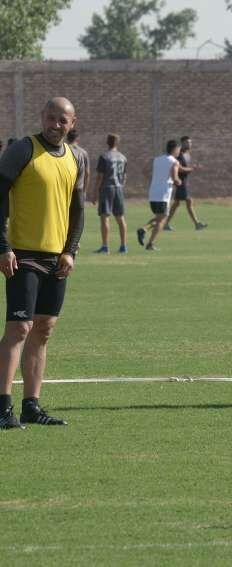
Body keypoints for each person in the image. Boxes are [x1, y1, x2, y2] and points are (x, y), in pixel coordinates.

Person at [0, 97, 85, 429]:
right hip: (22, 255)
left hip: (56, 258)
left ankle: (31, 406)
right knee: (20, 328)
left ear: (72, 122)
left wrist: (70, 251)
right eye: (50, 118)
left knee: (44, 331)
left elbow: (77, 210)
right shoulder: (23, 150)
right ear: (42, 117)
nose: (55, 124)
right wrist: (3, 245)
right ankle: (3, 407)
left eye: (62, 120)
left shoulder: (75, 158)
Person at [137, 140, 180, 251]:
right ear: (175, 149)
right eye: (178, 149)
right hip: (163, 194)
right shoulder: (174, 162)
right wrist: (179, 182)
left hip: (153, 193)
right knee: (162, 220)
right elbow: (175, 179)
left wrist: (154, 180)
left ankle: (147, 235)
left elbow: (144, 170)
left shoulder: (156, 159)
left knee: (160, 218)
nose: (179, 151)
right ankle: (148, 240)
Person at [93, 133, 129, 254]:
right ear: (117, 143)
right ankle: (123, 246)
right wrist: (120, 186)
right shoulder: (123, 157)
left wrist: (95, 192)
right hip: (118, 188)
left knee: (105, 217)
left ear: (107, 142)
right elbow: (125, 176)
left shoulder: (104, 157)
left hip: (106, 188)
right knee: (120, 217)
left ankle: (105, 246)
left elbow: (100, 176)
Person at [164, 136, 207, 231]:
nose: (189, 144)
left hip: (184, 181)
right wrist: (192, 169)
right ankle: (197, 224)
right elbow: (179, 168)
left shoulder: (188, 154)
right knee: (189, 200)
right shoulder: (178, 155)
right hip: (180, 182)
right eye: (187, 142)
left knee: (176, 203)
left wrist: (193, 167)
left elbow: (186, 167)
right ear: (182, 143)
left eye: (190, 142)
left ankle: (165, 223)